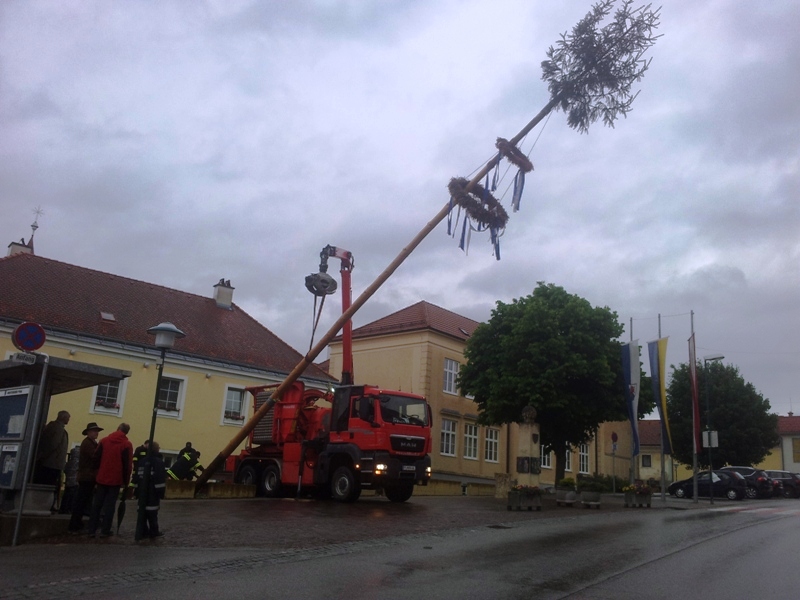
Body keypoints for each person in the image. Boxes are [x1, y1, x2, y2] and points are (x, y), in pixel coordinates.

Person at [87, 423, 133, 539]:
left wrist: (96, 472)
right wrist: (126, 481)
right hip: (115, 479)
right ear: (126, 432)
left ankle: (91, 529)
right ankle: (105, 530)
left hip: (102, 477)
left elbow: (96, 458)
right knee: (110, 505)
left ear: (117, 428)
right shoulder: (126, 444)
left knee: (97, 504)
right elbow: (127, 465)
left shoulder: (104, 441)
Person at [68, 422, 103, 533]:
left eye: (97, 431)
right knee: (81, 501)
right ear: (88, 432)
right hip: (87, 476)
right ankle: (74, 524)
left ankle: (78, 523)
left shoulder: (92, 443)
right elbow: (94, 457)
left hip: (88, 476)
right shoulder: (87, 443)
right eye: (94, 431)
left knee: (84, 501)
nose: (96, 433)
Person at [34, 410, 70, 511]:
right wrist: (43, 457)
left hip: (52, 463)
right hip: (51, 464)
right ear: (63, 417)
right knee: (49, 485)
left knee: (51, 485)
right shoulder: (57, 428)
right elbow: (53, 445)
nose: (69, 420)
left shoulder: (56, 427)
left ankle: (49, 505)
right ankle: (46, 505)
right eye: (68, 418)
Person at [139, 441, 167, 539]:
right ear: (156, 449)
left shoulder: (142, 461)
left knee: (142, 514)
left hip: (142, 492)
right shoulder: (158, 462)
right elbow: (159, 480)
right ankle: (154, 532)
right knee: (152, 514)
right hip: (152, 493)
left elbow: (138, 477)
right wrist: (161, 493)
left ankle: (143, 531)